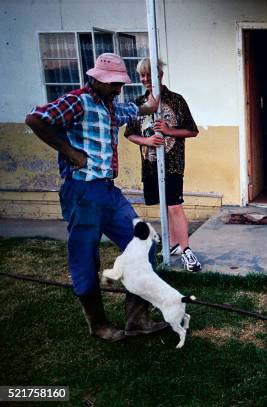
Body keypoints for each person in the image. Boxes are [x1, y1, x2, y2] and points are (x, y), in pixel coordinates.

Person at [25, 53, 168, 342]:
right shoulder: (77, 101)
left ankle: (137, 319)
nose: (118, 89)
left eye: (120, 84)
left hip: (108, 193)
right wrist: (69, 151)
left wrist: (155, 86)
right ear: (97, 80)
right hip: (81, 192)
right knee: (85, 258)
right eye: (114, 84)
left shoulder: (112, 107)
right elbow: (36, 119)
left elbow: (141, 108)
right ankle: (98, 325)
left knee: (145, 242)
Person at [125, 58, 201, 272]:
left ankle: (186, 250)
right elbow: (130, 134)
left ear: (160, 75)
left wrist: (168, 131)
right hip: (150, 164)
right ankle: (173, 245)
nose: (146, 79)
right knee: (164, 206)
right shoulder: (138, 103)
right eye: (142, 75)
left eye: (150, 75)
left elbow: (192, 131)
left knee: (175, 205)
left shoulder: (176, 100)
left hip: (173, 163)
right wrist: (147, 141)